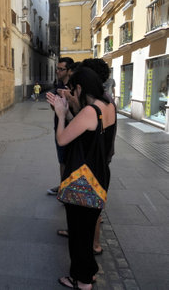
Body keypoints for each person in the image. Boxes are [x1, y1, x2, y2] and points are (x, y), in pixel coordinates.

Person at [47, 67, 117, 290]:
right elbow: (87, 132)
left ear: (79, 87)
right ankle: (90, 272)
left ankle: (82, 280)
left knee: (78, 234)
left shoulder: (89, 112)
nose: (72, 94)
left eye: (73, 90)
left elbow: (63, 139)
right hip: (100, 177)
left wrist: (59, 114)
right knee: (87, 231)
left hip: (82, 181)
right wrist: (69, 111)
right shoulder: (108, 106)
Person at [47, 57, 74, 195]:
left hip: (73, 128)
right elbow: (56, 110)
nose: (57, 71)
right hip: (59, 126)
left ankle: (69, 190)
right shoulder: (58, 86)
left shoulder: (74, 87)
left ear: (69, 71)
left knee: (71, 160)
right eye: (57, 68)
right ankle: (63, 187)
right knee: (62, 160)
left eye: (61, 69)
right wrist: (54, 104)